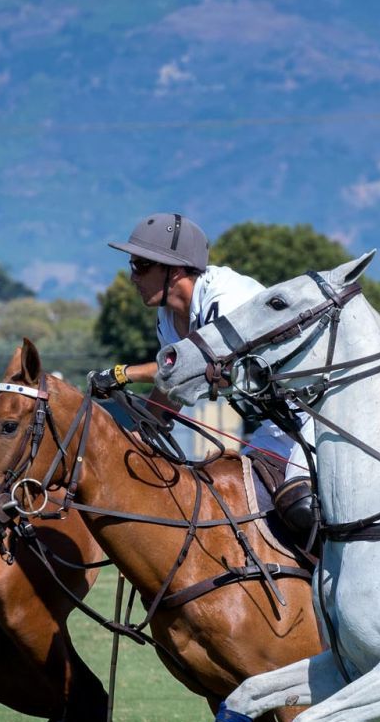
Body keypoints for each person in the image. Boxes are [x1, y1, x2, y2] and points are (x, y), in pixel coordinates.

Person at [91, 213, 316, 545]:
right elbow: (172, 384)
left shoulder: (226, 299)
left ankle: (331, 592)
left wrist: (124, 373)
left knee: (302, 508)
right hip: (276, 427)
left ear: (175, 270)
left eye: (140, 266)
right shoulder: (167, 317)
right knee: (236, 511)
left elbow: (206, 364)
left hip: (318, 415)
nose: (133, 276)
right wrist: (145, 434)